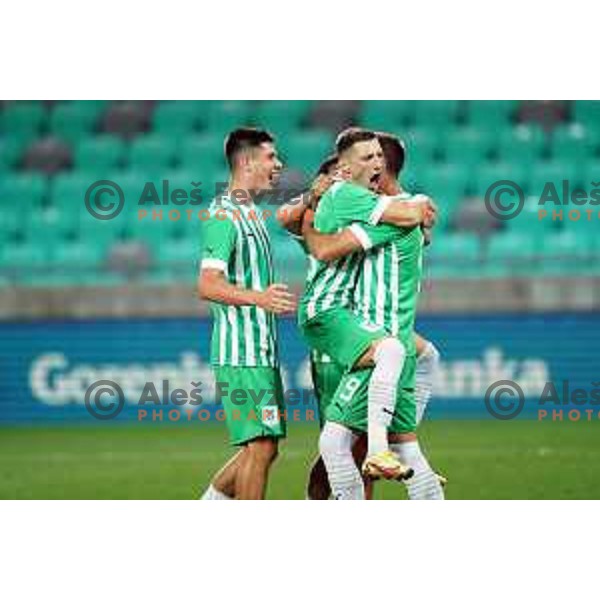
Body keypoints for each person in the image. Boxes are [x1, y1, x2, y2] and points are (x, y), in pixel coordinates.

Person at [302, 131, 444, 500]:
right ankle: (388, 446)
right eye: (367, 157)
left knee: (334, 441)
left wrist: (310, 224)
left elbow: (327, 248)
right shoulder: (406, 208)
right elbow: (419, 212)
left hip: (379, 340)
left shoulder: (393, 216)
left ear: (383, 169)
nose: (373, 164)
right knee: (407, 448)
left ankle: (378, 452)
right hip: (389, 340)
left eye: (376, 158)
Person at [198, 127, 295, 500]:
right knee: (260, 447)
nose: (279, 164)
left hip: (261, 351)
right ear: (247, 161)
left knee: (266, 449)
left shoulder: (251, 212)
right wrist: (260, 299)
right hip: (241, 352)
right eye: (271, 156)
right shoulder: (224, 215)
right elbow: (207, 284)